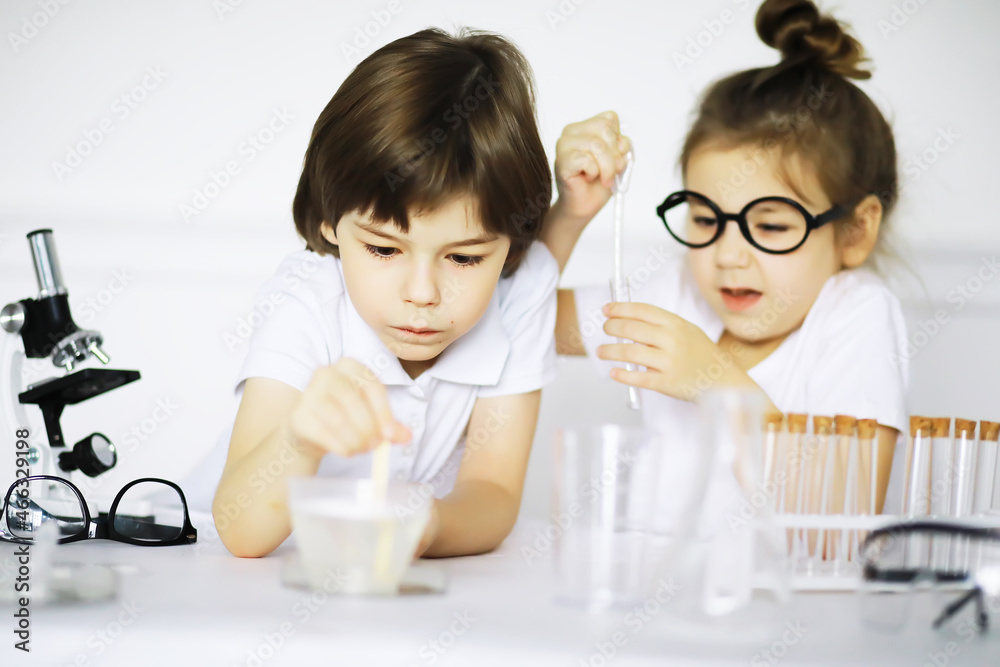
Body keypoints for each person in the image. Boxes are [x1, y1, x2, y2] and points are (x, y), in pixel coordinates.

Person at [542, 0, 909, 520]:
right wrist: (569, 216)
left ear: (855, 230)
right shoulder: (674, 293)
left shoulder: (857, 319)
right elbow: (517, 320)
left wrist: (716, 380)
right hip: (662, 595)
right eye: (707, 221)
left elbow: (839, 520)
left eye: (773, 226)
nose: (728, 255)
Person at [213, 28, 559, 558]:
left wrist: (428, 525)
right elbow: (240, 533)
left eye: (465, 258)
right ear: (330, 222)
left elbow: (494, 494)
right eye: (383, 250)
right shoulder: (307, 301)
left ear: (510, 245)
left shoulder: (521, 290)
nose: (422, 294)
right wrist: (300, 440)